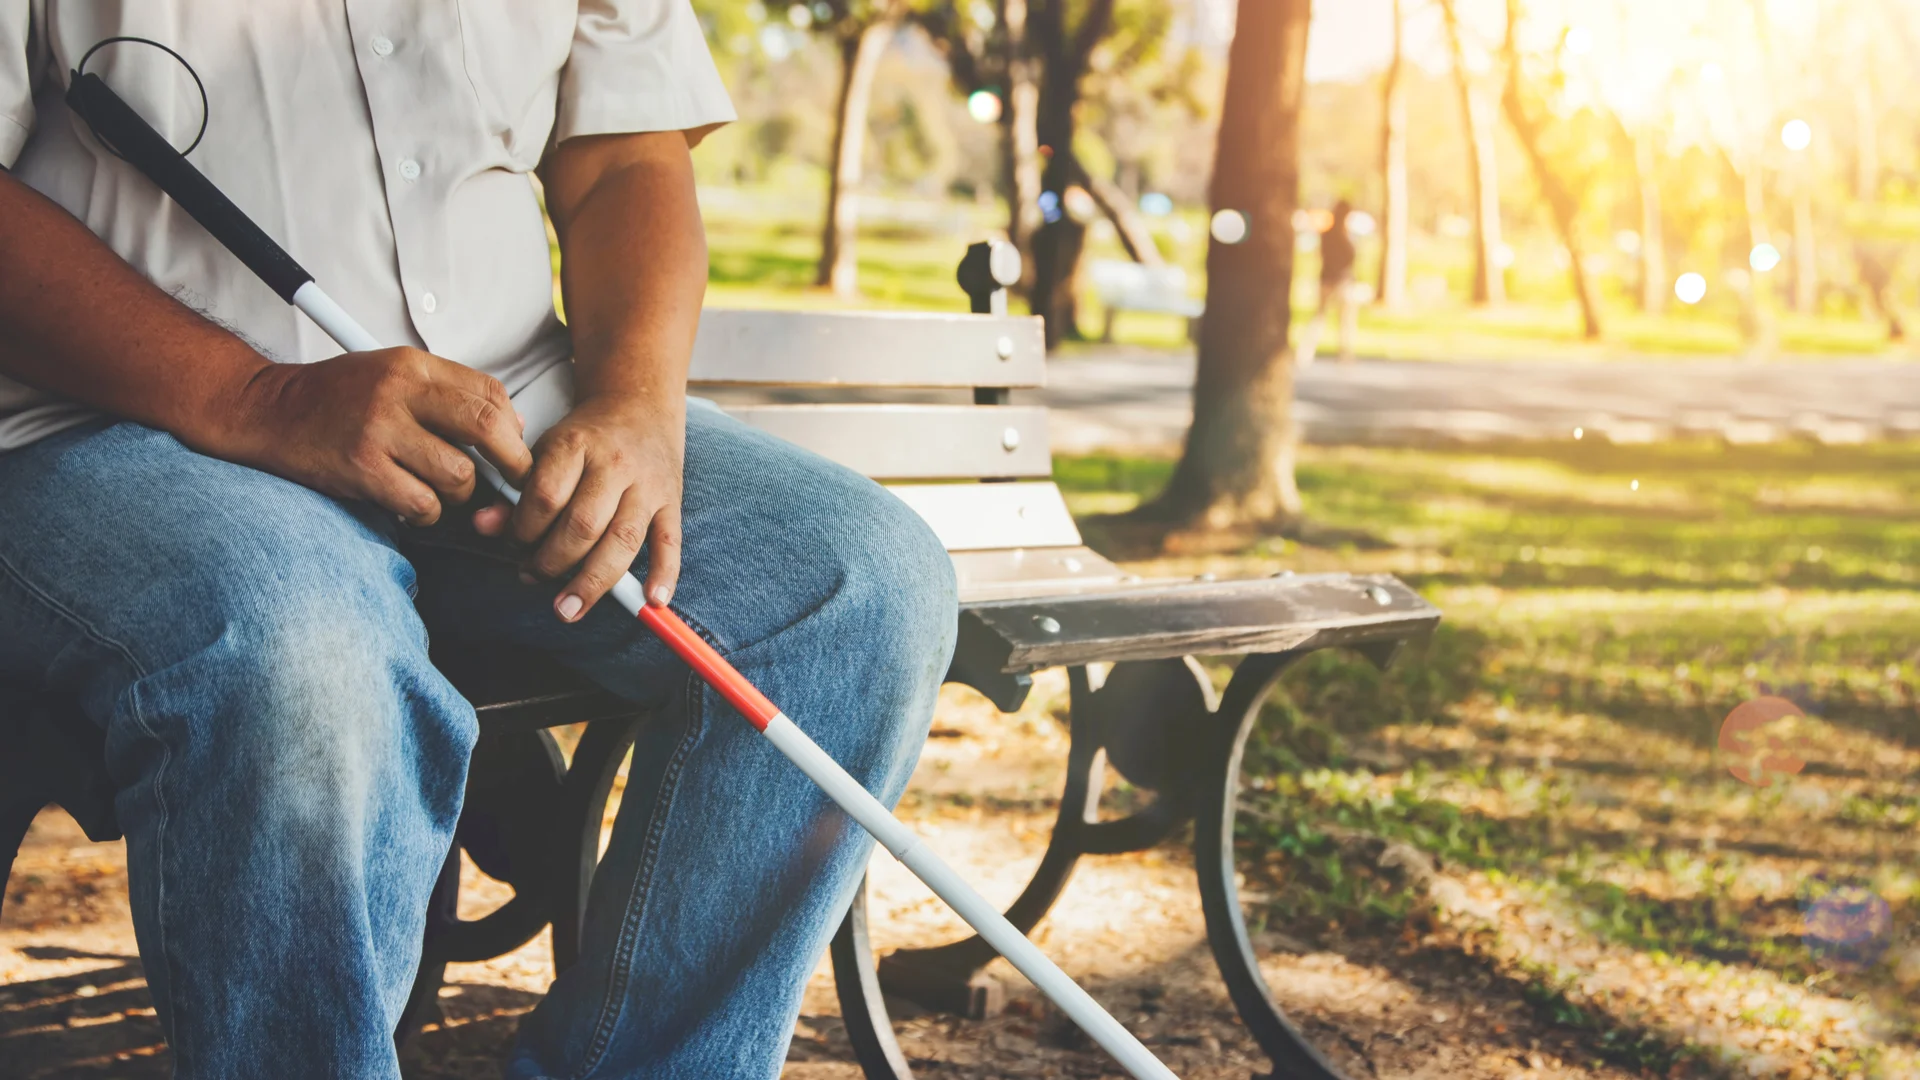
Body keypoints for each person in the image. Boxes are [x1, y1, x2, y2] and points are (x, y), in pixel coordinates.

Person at [0, 5, 956, 1079]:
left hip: (508, 412)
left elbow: (626, 158)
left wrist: (638, 402)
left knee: (858, 584)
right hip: (130, 427)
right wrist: (255, 395)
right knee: (301, 650)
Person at [1298, 198, 1359, 367]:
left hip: (1327, 279)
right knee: (1344, 321)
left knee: (1320, 317)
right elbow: (1350, 259)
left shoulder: (1328, 235)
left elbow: (1321, 256)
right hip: (1342, 282)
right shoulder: (1345, 237)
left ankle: (1306, 353)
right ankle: (1344, 356)